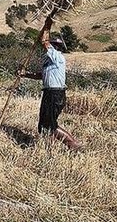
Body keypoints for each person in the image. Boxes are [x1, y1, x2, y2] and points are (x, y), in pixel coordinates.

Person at [19, 16, 81, 150]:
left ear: (56, 47)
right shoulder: (49, 61)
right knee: (43, 125)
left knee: (50, 125)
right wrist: (25, 74)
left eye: (52, 44)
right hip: (49, 93)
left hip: (56, 94)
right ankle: (49, 148)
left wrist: (47, 25)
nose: (49, 46)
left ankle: (73, 144)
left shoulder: (58, 57)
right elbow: (42, 76)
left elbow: (44, 41)